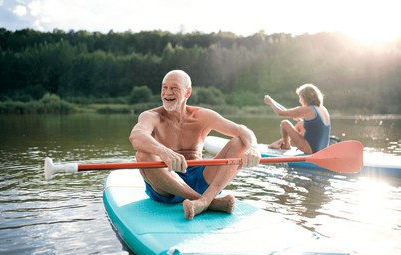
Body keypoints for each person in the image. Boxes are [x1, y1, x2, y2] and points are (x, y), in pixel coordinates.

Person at [129, 70, 261, 220]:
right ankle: (209, 202)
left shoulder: (202, 116)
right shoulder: (151, 116)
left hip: (200, 179)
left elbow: (241, 130)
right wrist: (164, 151)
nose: (167, 93)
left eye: (174, 88)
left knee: (240, 141)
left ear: (187, 92)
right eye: (164, 87)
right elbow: (136, 136)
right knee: (142, 154)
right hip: (166, 186)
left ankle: (205, 200)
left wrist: (253, 147)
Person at [263, 84, 331, 154]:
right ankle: (280, 143)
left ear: (305, 98)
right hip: (322, 150)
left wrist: (270, 102)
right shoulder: (322, 108)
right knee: (300, 124)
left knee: (285, 123)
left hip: (311, 150)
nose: (299, 100)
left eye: (300, 97)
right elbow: (287, 111)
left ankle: (286, 145)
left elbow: (281, 113)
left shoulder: (308, 110)